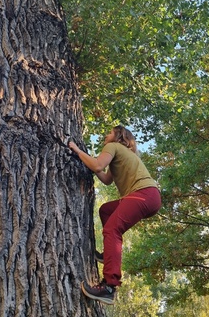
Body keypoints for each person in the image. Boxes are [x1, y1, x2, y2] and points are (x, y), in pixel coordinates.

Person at [69, 125, 161, 305]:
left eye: (109, 132)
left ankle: (109, 287)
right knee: (106, 211)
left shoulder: (113, 147)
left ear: (119, 136)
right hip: (150, 197)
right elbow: (106, 179)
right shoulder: (125, 154)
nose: (105, 134)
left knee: (112, 229)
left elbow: (97, 164)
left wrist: (77, 150)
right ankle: (107, 255)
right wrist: (89, 162)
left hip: (142, 194)